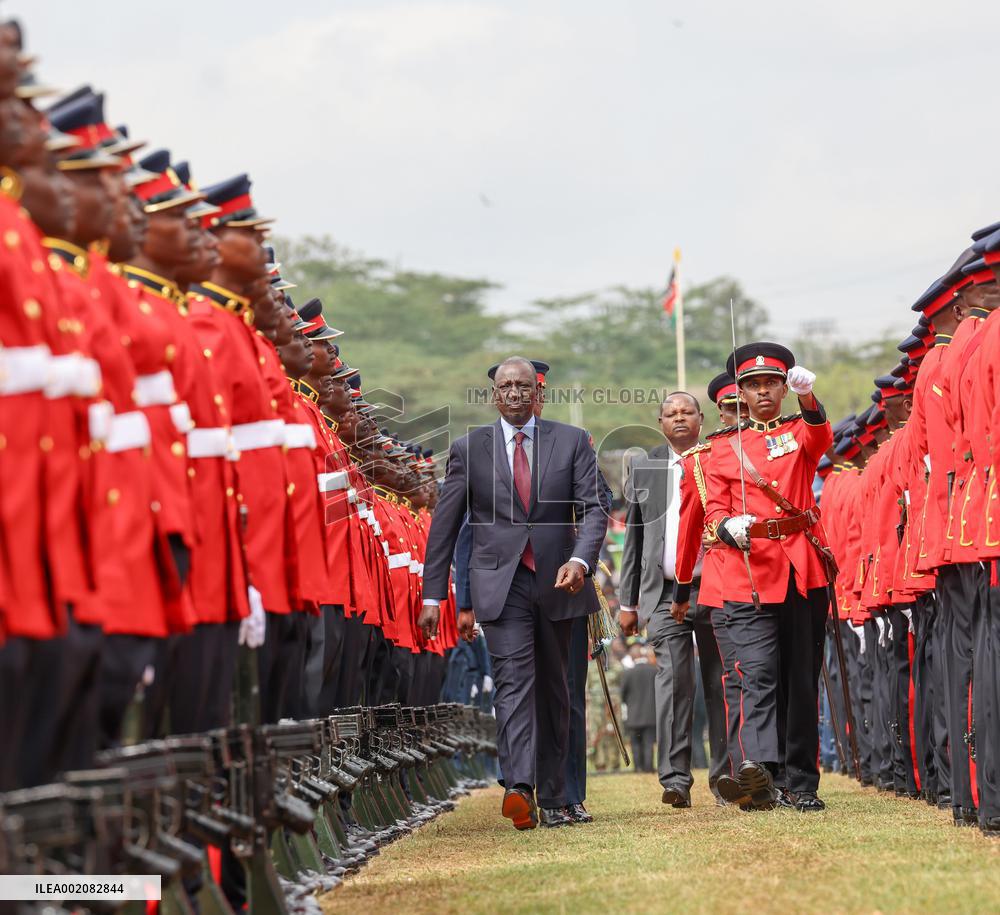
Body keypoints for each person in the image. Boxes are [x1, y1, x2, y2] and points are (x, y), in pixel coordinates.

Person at [419, 355, 608, 831]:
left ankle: (559, 795)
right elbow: (445, 526)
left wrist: (581, 560)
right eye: (507, 386)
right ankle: (520, 787)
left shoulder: (572, 442)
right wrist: (432, 595)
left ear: (538, 392)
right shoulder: (468, 448)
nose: (516, 393)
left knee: (557, 690)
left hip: (561, 581)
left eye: (524, 385)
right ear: (494, 395)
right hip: (500, 585)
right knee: (513, 685)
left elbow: (593, 510)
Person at [694, 343, 832, 812]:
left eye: (771, 383)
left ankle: (802, 782)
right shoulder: (721, 448)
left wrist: (809, 399)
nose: (762, 392)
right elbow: (712, 508)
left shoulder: (797, 432)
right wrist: (725, 525)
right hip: (747, 571)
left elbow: (820, 439)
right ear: (742, 392)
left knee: (799, 677)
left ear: (782, 385)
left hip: (797, 568)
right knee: (757, 674)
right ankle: (758, 770)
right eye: (752, 386)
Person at [619, 391, 728, 807]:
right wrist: (628, 604)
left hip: (714, 584)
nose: (679, 418)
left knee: (720, 681)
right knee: (674, 680)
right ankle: (676, 779)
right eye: (670, 413)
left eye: (687, 412)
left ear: (702, 418)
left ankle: (725, 776)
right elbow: (635, 539)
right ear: (660, 421)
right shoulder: (645, 468)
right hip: (662, 593)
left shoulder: (717, 459)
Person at [620, 643, 656, 772]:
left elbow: (622, 694)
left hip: (633, 715)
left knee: (635, 744)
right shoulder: (654, 671)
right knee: (648, 743)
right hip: (651, 714)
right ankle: (648, 768)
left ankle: (638, 768)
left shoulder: (628, 673)